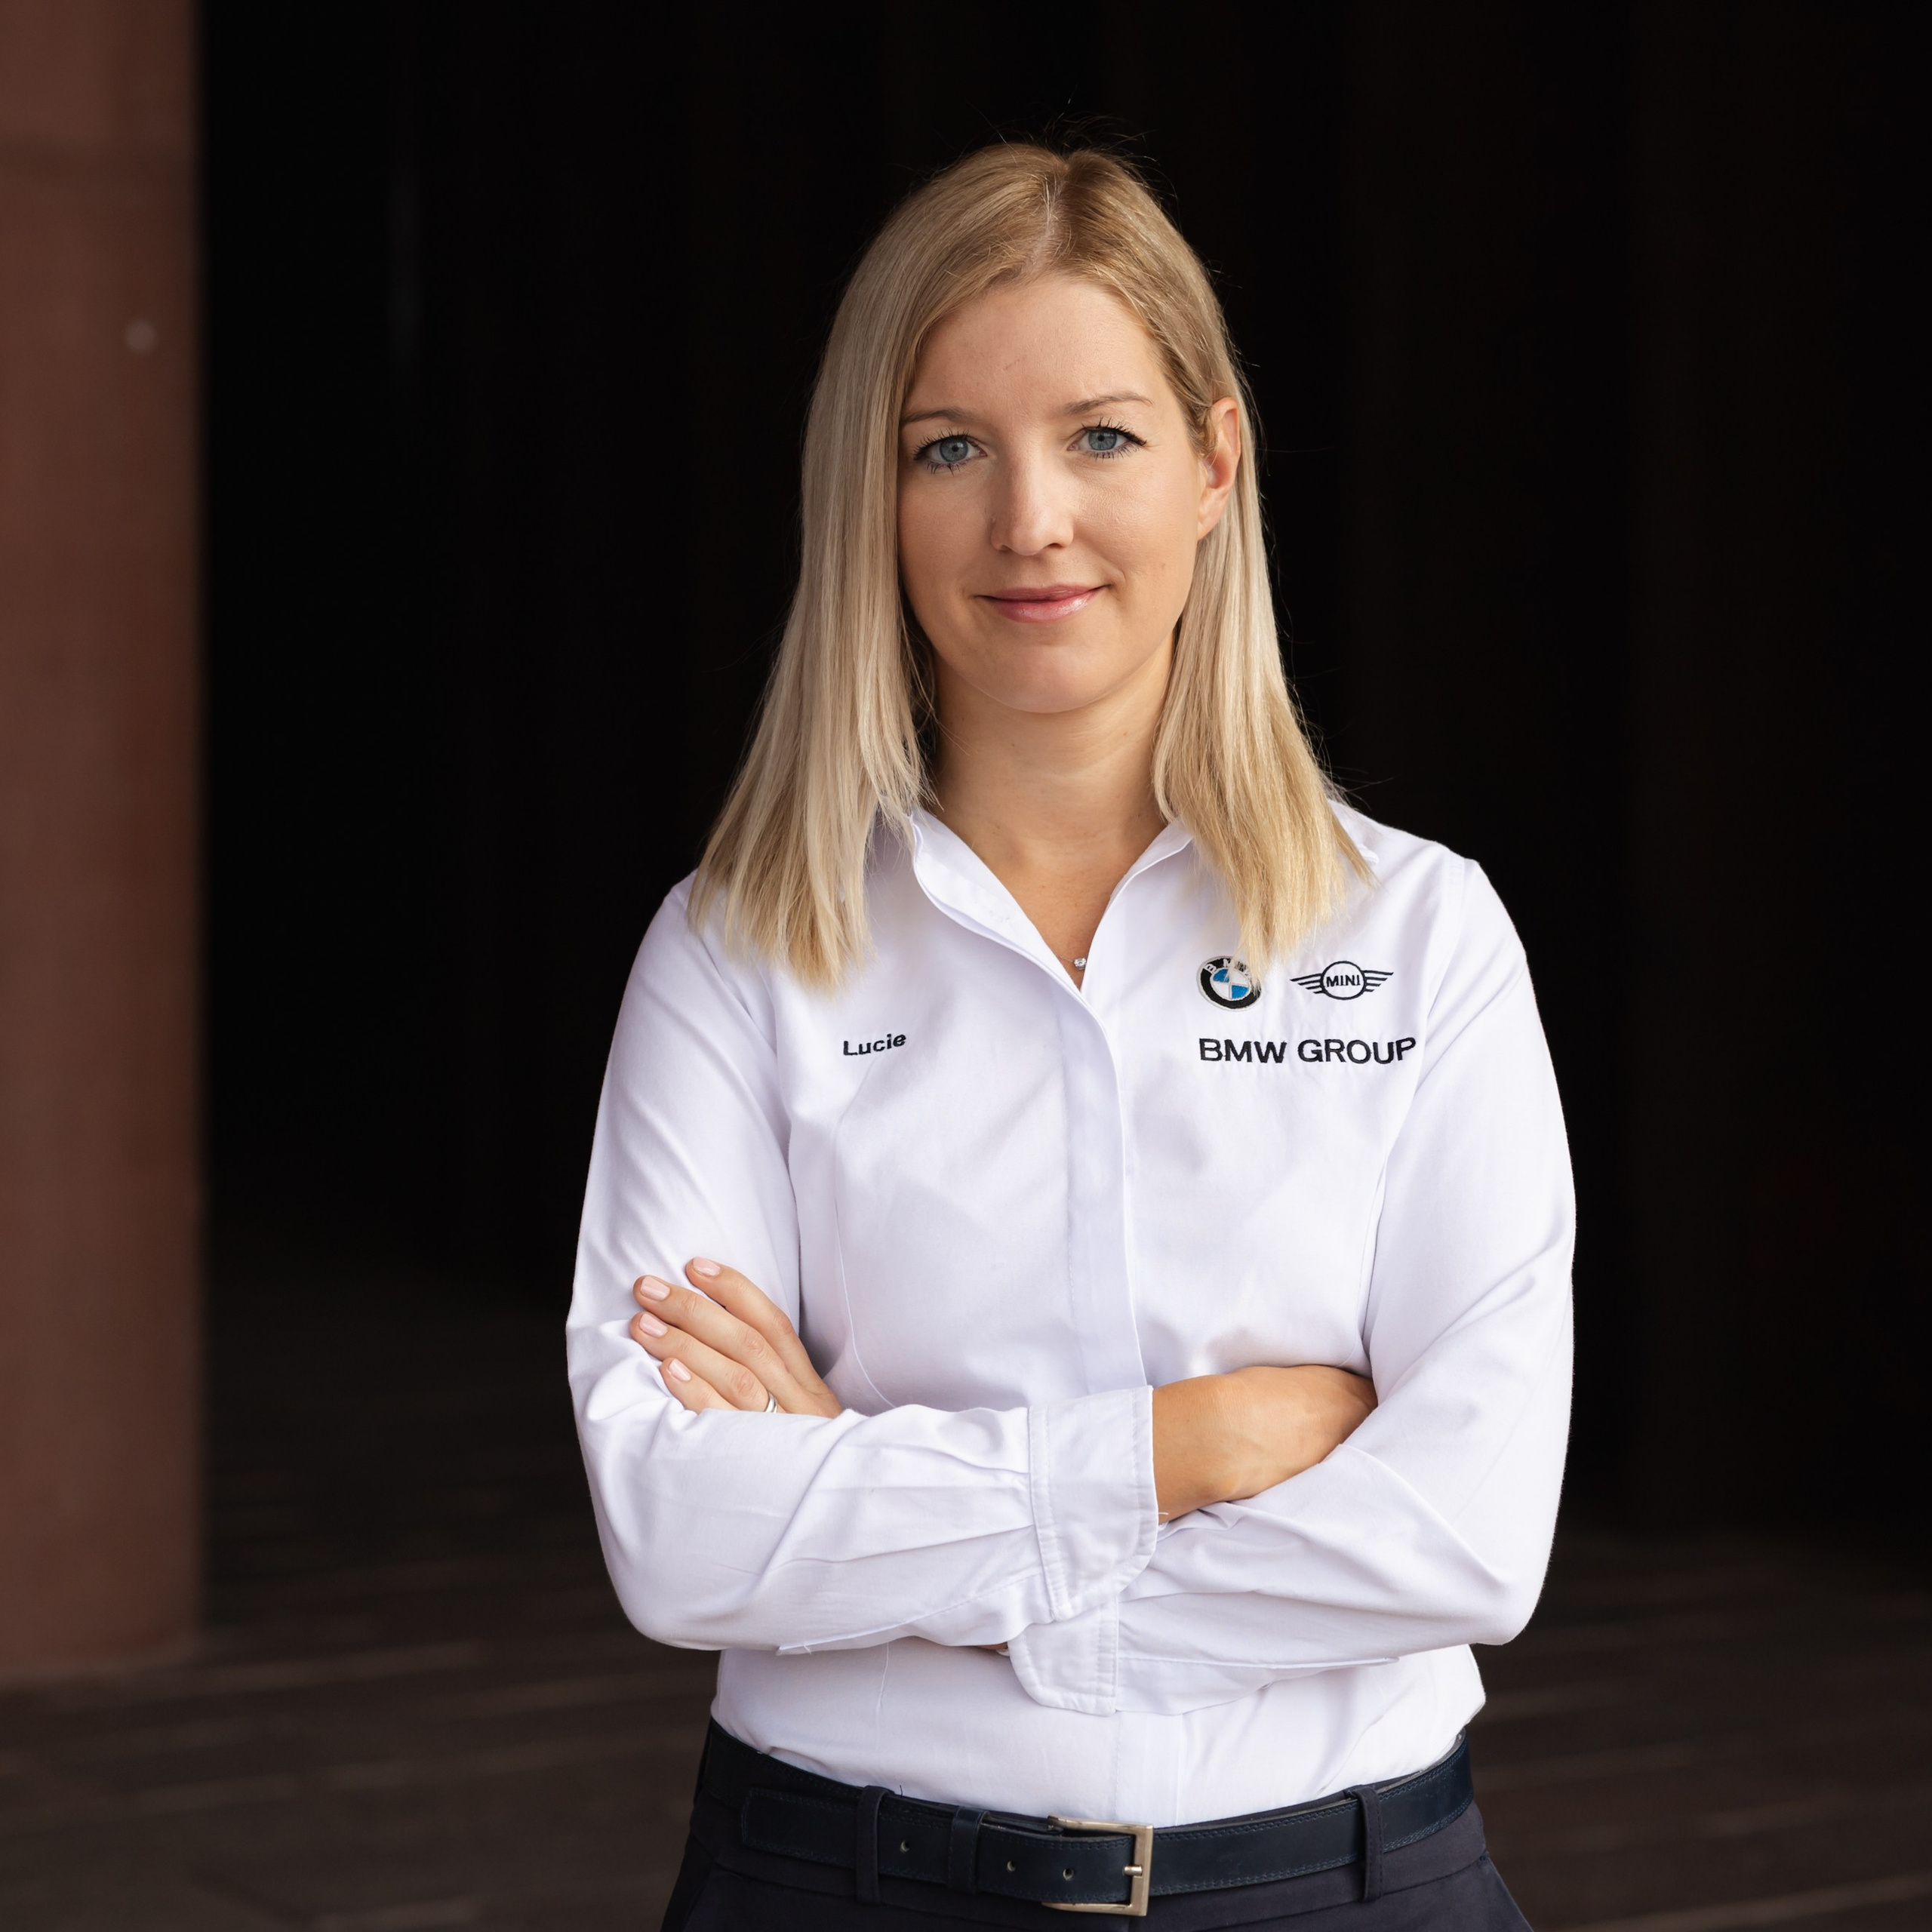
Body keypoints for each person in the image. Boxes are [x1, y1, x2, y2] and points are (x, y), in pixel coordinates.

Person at [567, 143, 1571, 1930]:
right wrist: (1177, 1452)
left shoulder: (1421, 937)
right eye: (946, 446)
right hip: (840, 1885)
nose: (1027, 517)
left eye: (1098, 435)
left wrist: (879, 1530)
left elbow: (1466, 1532)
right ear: (868, 498)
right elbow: (678, 1528)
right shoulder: (734, 951)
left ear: (1210, 464)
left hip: (1344, 1888)